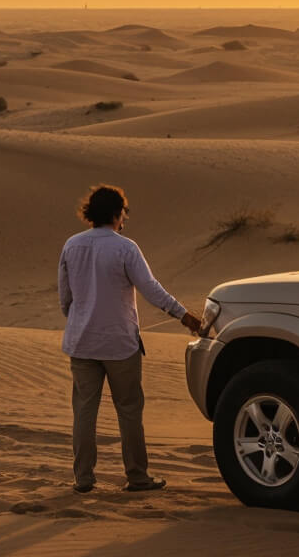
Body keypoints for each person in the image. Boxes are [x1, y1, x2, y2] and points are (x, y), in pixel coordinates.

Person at [57, 185, 205, 494]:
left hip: (82, 342)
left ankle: (83, 479)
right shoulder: (125, 248)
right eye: (124, 211)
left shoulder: (72, 245)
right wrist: (185, 316)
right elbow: (151, 289)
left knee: (84, 411)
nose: (125, 217)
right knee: (129, 411)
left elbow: (65, 299)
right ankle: (137, 476)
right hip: (120, 344)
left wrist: (81, 319)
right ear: (115, 213)